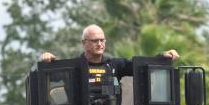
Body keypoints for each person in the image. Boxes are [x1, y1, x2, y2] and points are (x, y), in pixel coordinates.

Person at [39, 25, 179, 87]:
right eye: (95, 41)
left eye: (102, 40)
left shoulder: (115, 65)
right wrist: (47, 61)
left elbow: (141, 66)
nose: (100, 44)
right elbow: (53, 79)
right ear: (84, 43)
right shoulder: (74, 67)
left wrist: (162, 57)